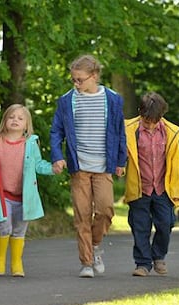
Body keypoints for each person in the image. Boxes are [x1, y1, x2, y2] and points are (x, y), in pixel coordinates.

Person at [50, 54, 127, 278]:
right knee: (82, 215)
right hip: (79, 166)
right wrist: (57, 156)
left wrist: (121, 161)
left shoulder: (112, 99)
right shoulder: (67, 101)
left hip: (104, 166)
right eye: (73, 79)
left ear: (94, 76)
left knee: (105, 210)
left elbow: (119, 132)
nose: (76, 84)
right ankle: (86, 262)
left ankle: (95, 245)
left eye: (80, 80)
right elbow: (56, 131)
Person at [0, 104, 61, 277]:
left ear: (26, 125)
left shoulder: (30, 144)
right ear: (4, 120)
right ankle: (0, 259)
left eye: (20, 118)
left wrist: (52, 169)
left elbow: (37, 165)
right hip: (1, 195)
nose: (15, 120)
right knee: (3, 227)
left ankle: (16, 262)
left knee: (19, 230)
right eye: (11, 117)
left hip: (24, 197)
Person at [124, 92, 179, 277]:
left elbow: (176, 165)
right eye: (146, 121)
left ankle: (158, 256)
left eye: (153, 122)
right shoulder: (128, 129)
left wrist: (177, 191)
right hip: (139, 186)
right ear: (140, 113)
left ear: (161, 117)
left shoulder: (171, 133)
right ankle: (142, 263)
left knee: (166, 223)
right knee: (140, 226)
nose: (149, 125)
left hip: (162, 187)